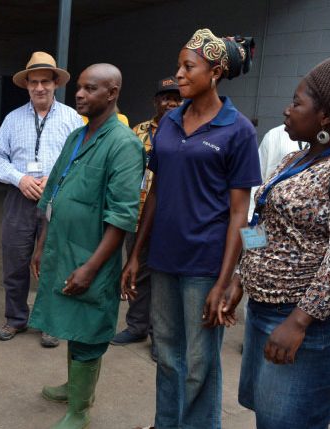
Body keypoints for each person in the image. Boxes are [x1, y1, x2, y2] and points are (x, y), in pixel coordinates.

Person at [121, 29, 259, 429]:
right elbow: (157, 193)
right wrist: (136, 255)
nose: (178, 74)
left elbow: (239, 212)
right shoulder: (169, 123)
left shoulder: (237, 131)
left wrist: (227, 279)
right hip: (163, 259)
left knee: (200, 361)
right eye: (179, 65)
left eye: (188, 67)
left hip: (205, 263)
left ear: (215, 72)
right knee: (166, 353)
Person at [218, 57, 330, 429]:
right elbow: (263, 221)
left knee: (290, 421)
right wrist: (241, 279)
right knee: (269, 415)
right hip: (264, 312)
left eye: (297, 102)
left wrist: (298, 322)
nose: (287, 109)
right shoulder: (293, 159)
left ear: (324, 116)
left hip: (307, 324)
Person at [29, 63, 145, 428]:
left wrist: (92, 267)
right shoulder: (77, 136)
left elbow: (122, 216)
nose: (79, 94)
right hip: (63, 247)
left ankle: (80, 410)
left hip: (93, 255)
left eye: (90, 88)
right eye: (79, 87)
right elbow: (54, 192)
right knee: (69, 321)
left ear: (112, 93)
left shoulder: (123, 145)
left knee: (90, 327)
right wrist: (41, 243)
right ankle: (72, 387)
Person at [0, 51, 83, 347]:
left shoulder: (73, 119)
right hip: (20, 198)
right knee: (15, 259)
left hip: (57, 199)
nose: (39, 87)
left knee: (53, 261)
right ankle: (16, 318)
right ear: (27, 85)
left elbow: (81, 159)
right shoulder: (12, 119)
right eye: (34, 82)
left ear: (55, 83)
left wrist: (57, 180)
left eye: (45, 81)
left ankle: (49, 321)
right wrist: (20, 178)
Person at [110, 76, 182, 356]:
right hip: (138, 216)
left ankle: (159, 336)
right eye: (165, 97)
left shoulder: (188, 130)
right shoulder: (138, 131)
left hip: (170, 220)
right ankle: (137, 326)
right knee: (136, 272)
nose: (171, 102)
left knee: (164, 279)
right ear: (156, 101)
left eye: (176, 97)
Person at [247, 124, 307, 220]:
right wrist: (250, 221)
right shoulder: (275, 135)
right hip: (266, 222)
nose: (286, 111)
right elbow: (256, 182)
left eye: (296, 107)